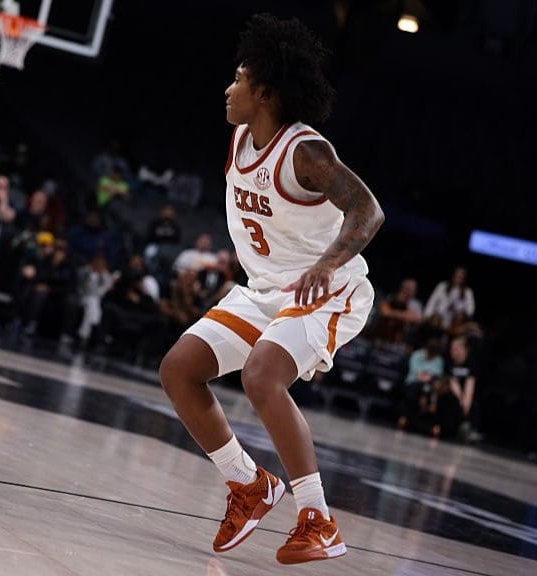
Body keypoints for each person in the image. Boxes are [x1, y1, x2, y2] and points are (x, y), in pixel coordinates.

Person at [158, 13, 385, 565]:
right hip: (267, 289)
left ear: (263, 92)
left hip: (328, 289)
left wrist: (327, 263)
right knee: (179, 369)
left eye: (237, 79)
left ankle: (319, 519)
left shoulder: (306, 152)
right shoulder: (240, 138)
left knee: (262, 375)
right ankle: (248, 484)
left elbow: (368, 210)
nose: (228, 88)